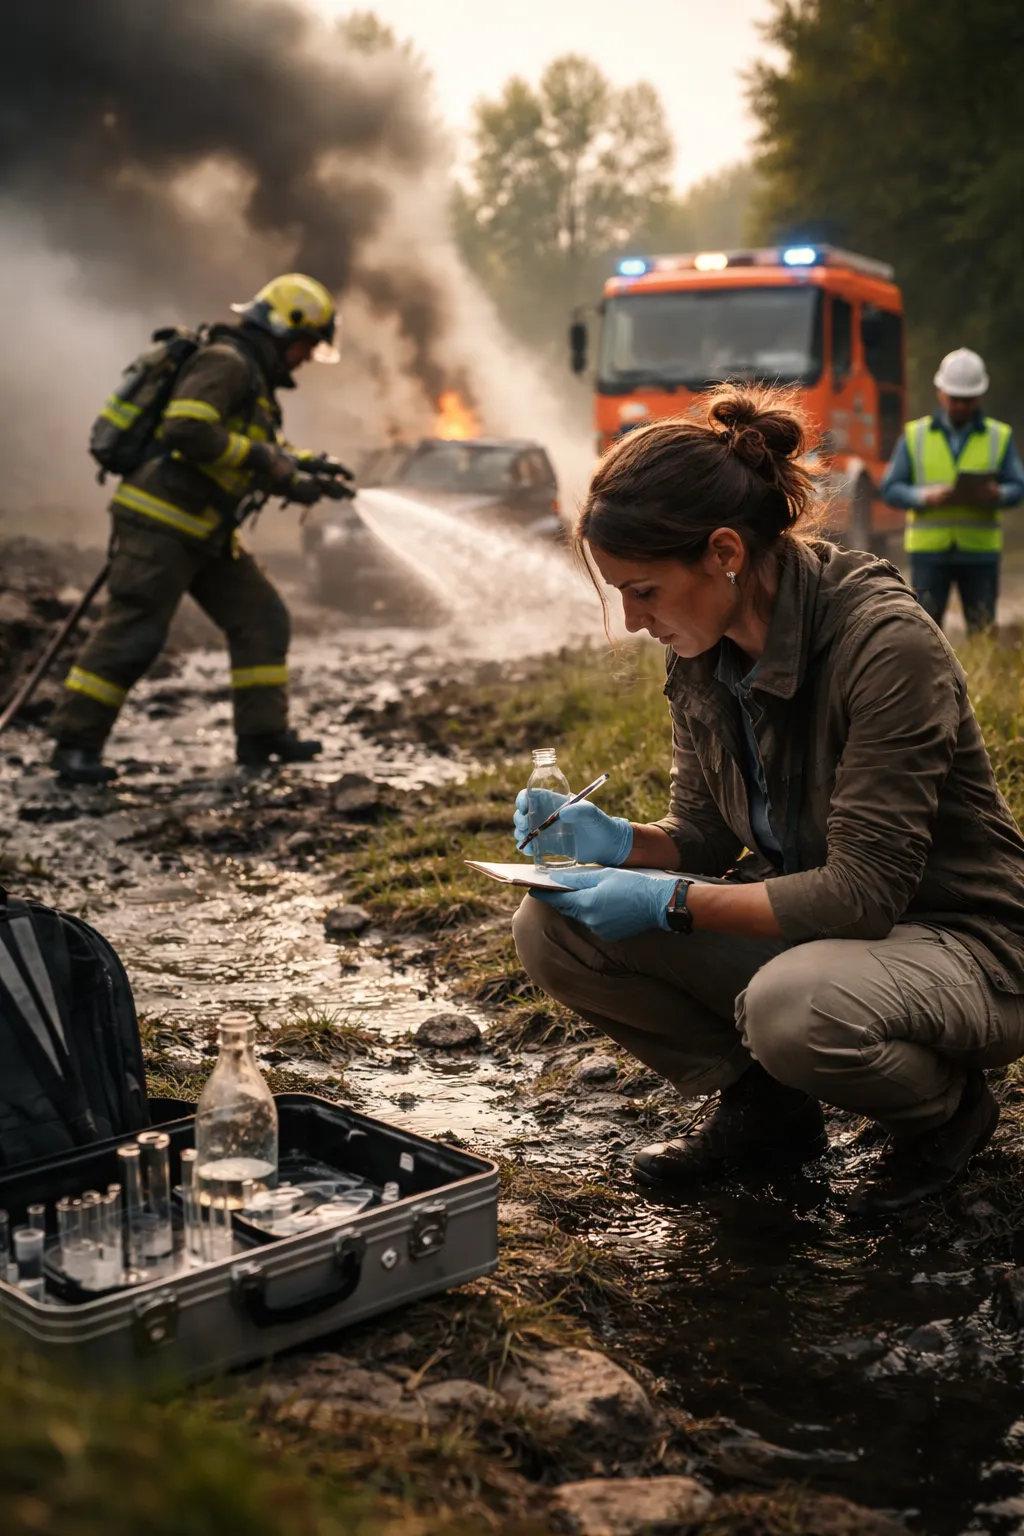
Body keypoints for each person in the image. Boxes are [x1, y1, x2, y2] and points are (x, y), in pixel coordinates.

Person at [511, 385, 1024, 1217]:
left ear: (723, 552)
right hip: (829, 936)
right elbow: (705, 835)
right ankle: (768, 1114)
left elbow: (860, 895)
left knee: (795, 1009)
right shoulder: (706, 649)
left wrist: (669, 903)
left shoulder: (883, 644)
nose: (635, 622)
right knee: (552, 923)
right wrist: (611, 842)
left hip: (964, 941)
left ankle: (945, 1114)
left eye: (643, 590)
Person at [50, 273, 349, 784]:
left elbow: (245, 454)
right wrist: (270, 462)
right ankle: (74, 747)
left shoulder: (252, 378)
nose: (303, 358)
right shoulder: (226, 363)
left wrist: (308, 472)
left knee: (263, 617)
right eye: (304, 345)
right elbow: (186, 429)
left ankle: (261, 736)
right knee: (134, 633)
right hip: (160, 525)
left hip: (205, 531)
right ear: (281, 329)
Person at [879, 347, 1024, 631]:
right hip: (929, 552)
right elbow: (890, 488)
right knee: (924, 632)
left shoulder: (999, 436)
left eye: (967, 400)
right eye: (955, 398)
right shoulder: (915, 435)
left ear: (979, 397)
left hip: (979, 552)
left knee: (982, 630)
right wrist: (923, 496)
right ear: (941, 393)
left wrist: (998, 494)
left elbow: (1018, 486)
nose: (960, 406)